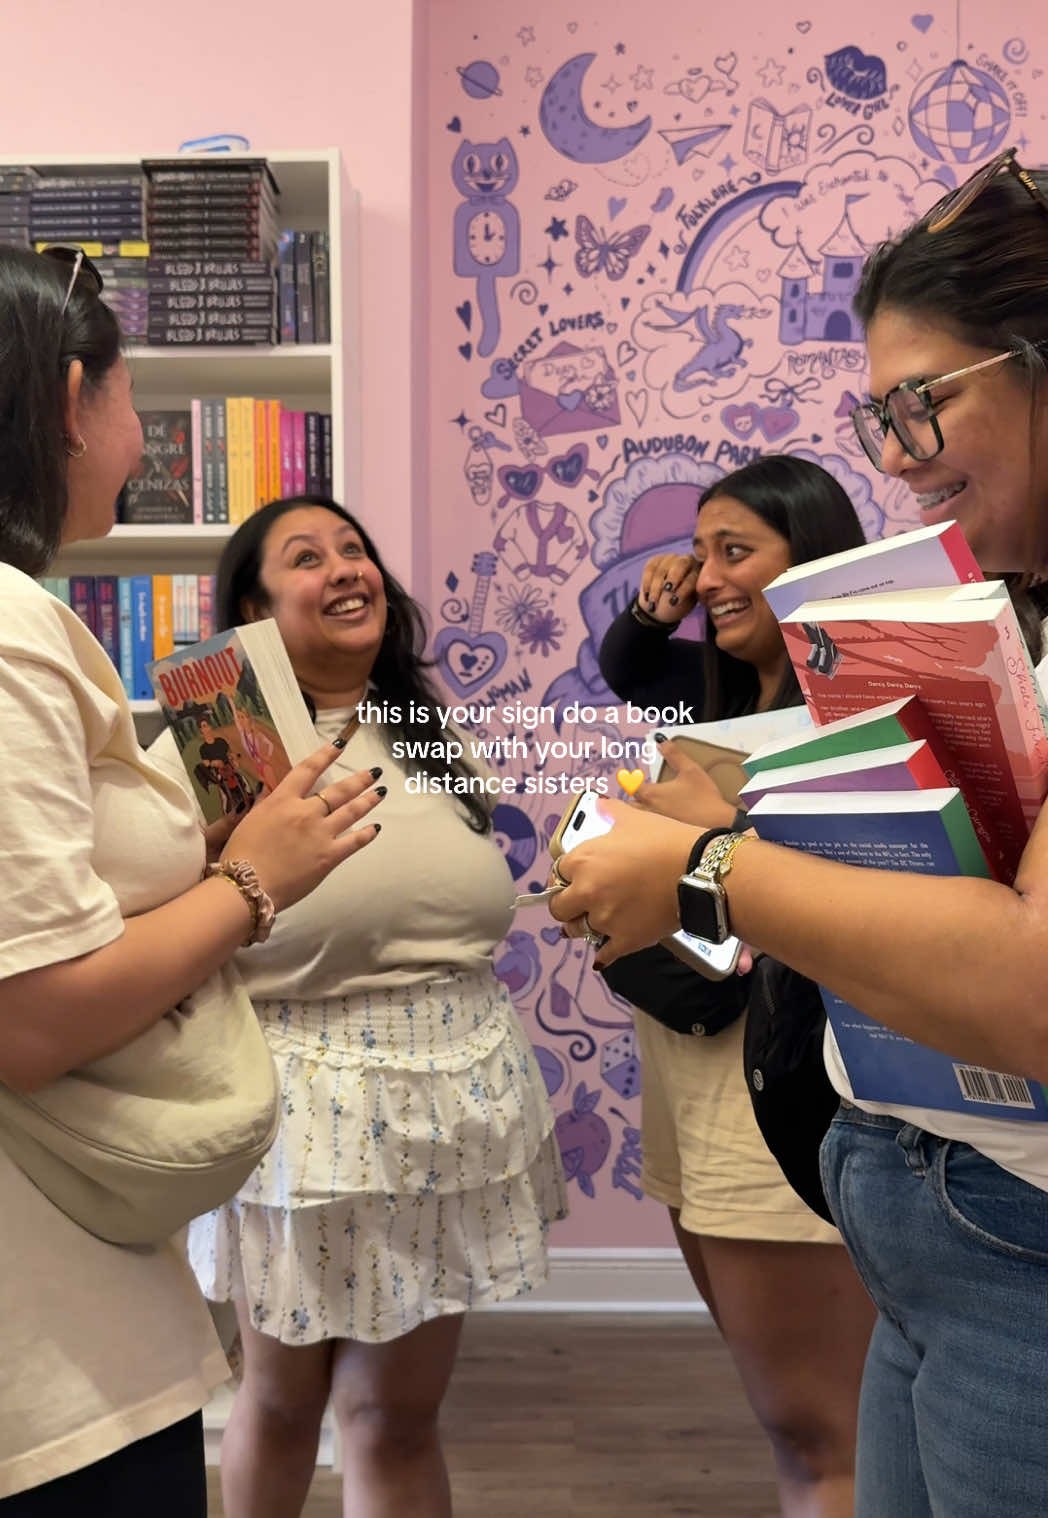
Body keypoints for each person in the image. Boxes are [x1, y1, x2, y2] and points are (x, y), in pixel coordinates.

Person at [550, 148, 1048, 1518]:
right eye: (875, 412)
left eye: (920, 404)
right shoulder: (1007, 611)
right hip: (918, 1206)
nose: (896, 454)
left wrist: (710, 866)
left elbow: (1028, 980)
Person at [0, 245, 383, 1514]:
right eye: (130, 400)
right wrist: (251, 886)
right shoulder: (11, 630)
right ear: (68, 402)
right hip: (46, 1345)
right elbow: (32, 1014)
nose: (140, 438)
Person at [151, 495, 566, 1518]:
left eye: (356, 549)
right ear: (251, 605)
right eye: (308, 557)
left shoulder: (424, 731)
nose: (347, 569)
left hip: (450, 1102)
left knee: (398, 1417)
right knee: (285, 1404)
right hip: (300, 1110)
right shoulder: (218, 751)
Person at [597, 456, 875, 1518]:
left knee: (816, 1424)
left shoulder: (851, 710)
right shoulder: (708, 685)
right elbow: (626, 667)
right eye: (699, 549)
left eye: (734, 551)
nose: (706, 576)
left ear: (809, 564)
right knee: (785, 1411)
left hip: (780, 1063)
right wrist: (648, 605)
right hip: (687, 1059)